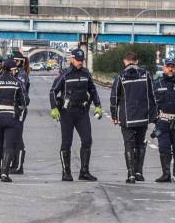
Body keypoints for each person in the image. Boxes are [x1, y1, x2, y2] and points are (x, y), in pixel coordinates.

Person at [49, 48, 102, 181]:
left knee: (87, 140)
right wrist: (54, 108)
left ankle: (84, 171)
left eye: (81, 60)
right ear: (71, 59)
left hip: (82, 112)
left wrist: (98, 106)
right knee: (66, 142)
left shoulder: (86, 73)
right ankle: (66, 172)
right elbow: (53, 91)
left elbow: (93, 90)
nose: (80, 63)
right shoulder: (64, 74)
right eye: (77, 60)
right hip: (67, 112)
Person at [110, 50, 156, 183]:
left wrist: (114, 115)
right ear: (137, 61)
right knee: (140, 144)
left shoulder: (120, 77)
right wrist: (154, 115)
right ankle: (139, 172)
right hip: (143, 116)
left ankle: (130, 175)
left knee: (128, 145)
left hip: (127, 117)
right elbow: (153, 95)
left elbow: (114, 98)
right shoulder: (146, 74)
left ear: (125, 61)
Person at [0, 57, 26, 182]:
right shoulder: (17, 83)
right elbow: (23, 102)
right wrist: (17, 108)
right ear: (12, 70)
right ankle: (4, 173)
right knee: (8, 145)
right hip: (11, 118)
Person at [11, 50, 30, 174]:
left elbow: (21, 92)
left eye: (13, 61)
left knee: (17, 136)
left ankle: (18, 166)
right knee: (12, 136)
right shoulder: (16, 73)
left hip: (20, 108)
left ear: (18, 62)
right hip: (13, 108)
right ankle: (14, 164)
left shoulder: (21, 75)